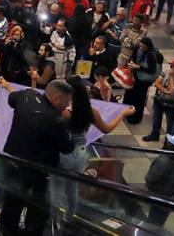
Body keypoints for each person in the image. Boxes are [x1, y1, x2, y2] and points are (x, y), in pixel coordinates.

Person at [50, 77, 134, 229]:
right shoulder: (91, 112)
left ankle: (54, 220)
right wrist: (121, 114)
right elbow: (106, 129)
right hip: (81, 154)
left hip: (65, 153)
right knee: (72, 187)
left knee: (56, 186)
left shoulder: (65, 113)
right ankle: (69, 216)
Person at [0, 79, 75, 236]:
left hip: (12, 159)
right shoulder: (55, 120)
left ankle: (7, 230)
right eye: (66, 102)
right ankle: (31, 231)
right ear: (57, 99)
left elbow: (12, 98)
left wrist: (7, 86)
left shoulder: (26, 96)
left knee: (12, 199)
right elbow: (68, 147)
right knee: (38, 204)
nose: (67, 105)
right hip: (37, 169)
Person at [144, 133, 174, 227]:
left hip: (159, 194)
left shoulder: (163, 161)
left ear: (171, 146)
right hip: (172, 193)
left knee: (154, 219)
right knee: (162, 216)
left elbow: (150, 178)